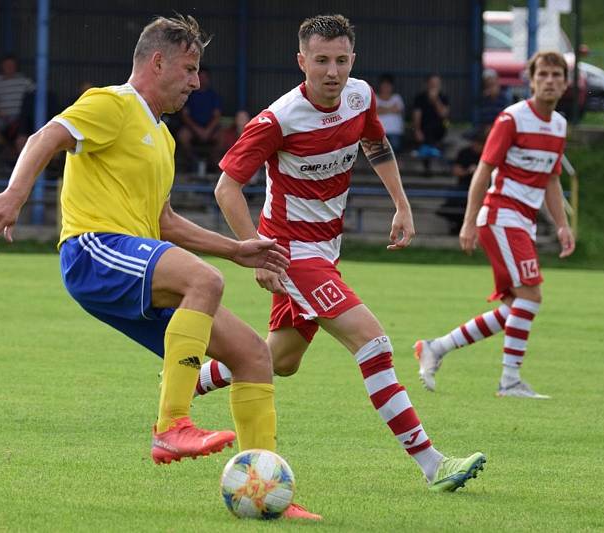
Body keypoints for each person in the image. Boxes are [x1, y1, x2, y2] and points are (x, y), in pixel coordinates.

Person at [0, 15, 319, 520]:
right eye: (190, 68)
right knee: (204, 280)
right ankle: (171, 425)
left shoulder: (162, 138)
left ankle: (266, 492)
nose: (196, 81)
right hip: (93, 251)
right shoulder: (112, 103)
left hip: (138, 262)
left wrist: (237, 248)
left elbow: (164, 222)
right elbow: (44, 138)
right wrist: (15, 193)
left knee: (252, 356)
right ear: (157, 61)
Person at [192, 14, 485, 493]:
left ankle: (182, 383)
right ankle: (434, 464)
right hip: (290, 252)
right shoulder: (278, 118)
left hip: (325, 249)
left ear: (353, 60)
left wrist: (402, 204)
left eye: (342, 60)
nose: (333, 71)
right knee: (373, 343)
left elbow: (376, 141)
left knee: (278, 360)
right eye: (322, 60)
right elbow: (227, 188)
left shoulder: (360, 95)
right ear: (301, 61)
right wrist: (258, 254)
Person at [413, 51, 575, 399]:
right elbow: (484, 170)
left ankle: (435, 348)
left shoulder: (559, 126)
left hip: (523, 223)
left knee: (515, 307)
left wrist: (562, 225)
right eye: (543, 74)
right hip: (501, 216)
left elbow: (551, 180)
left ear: (565, 83)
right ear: (531, 81)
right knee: (531, 294)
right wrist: (469, 222)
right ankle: (510, 381)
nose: (549, 80)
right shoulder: (511, 119)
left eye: (556, 75)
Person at [438, 127, 487, 235]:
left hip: (483, 187)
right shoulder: (464, 153)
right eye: (475, 142)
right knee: (456, 199)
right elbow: (456, 170)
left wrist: (479, 171)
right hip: (465, 185)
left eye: (479, 143)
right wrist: (468, 171)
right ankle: (457, 226)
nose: (476, 145)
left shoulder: (487, 154)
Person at [0, 55, 34, 158]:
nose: (9, 67)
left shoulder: (25, 81)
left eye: (12, 65)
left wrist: (24, 115)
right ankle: (7, 150)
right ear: (1, 66)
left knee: (23, 134)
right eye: (6, 65)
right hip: (1, 116)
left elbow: (35, 98)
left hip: (21, 118)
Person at [176, 66, 222, 172]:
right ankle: (192, 162)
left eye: (205, 77)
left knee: (221, 137)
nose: (202, 79)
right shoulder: (189, 95)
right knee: (183, 136)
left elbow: (217, 116)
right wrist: (197, 130)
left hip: (210, 129)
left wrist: (207, 131)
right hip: (192, 129)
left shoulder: (213, 96)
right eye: (200, 77)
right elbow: (185, 116)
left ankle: (214, 164)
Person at [412, 73, 450, 174]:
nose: (434, 86)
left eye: (436, 83)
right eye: (432, 83)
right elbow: (416, 116)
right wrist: (417, 130)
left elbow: (444, 114)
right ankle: (430, 151)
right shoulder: (420, 98)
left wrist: (435, 100)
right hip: (424, 129)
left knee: (436, 127)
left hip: (438, 129)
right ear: (427, 84)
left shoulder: (443, 97)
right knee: (427, 129)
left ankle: (427, 150)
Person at [375, 73, 404, 153]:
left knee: (395, 147)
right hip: (378, 132)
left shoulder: (397, 98)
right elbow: (375, 112)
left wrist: (382, 109)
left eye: (388, 86)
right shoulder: (375, 98)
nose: (386, 88)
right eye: (384, 86)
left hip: (395, 132)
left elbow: (398, 110)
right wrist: (391, 109)